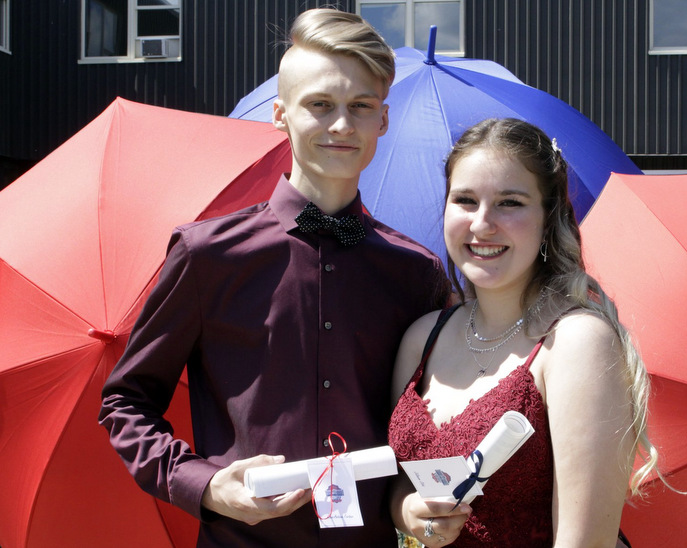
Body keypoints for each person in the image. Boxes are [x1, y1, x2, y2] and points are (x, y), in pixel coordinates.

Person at [98, 8, 450, 548]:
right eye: (320, 105)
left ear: (382, 120)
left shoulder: (416, 272)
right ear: (281, 115)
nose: (341, 125)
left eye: (360, 106)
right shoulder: (206, 255)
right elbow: (125, 402)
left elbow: (427, 422)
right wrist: (206, 485)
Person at [388, 118, 660, 547]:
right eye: (465, 200)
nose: (481, 224)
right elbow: (399, 483)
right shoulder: (422, 338)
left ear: (548, 219)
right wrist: (408, 512)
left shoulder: (575, 343)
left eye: (509, 203)